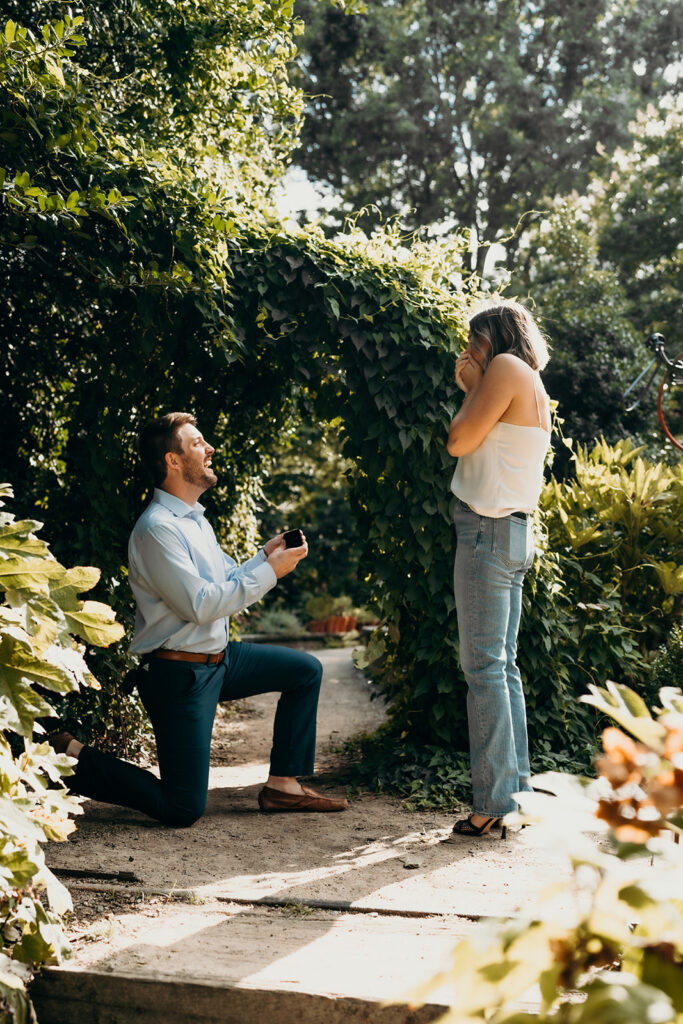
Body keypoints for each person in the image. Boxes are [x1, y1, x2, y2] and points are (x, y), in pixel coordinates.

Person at [51, 412, 347, 825]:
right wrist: (272, 572)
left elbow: (224, 579)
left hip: (221, 660)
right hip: (180, 676)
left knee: (305, 670)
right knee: (182, 808)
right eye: (197, 443)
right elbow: (201, 605)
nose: (209, 449)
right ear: (173, 461)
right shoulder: (156, 529)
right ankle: (68, 757)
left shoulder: (195, 520)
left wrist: (263, 557)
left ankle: (283, 787)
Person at [444, 301, 551, 840]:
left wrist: (469, 385)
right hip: (510, 532)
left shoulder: (505, 368)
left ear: (495, 336)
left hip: (486, 531)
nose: (468, 353)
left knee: (484, 669)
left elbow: (458, 440)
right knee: (501, 667)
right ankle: (515, 793)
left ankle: (490, 805)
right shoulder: (529, 379)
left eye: (474, 342)